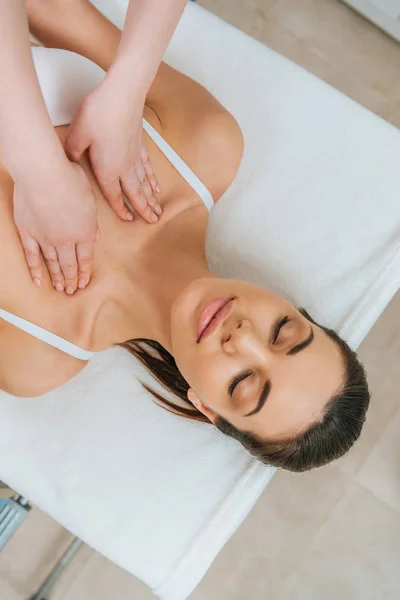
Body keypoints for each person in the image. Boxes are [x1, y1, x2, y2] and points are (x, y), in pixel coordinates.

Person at [0, 0, 370, 472]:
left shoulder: (37, 357)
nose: (243, 339)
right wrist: (124, 93)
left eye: (242, 384)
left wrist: (43, 173)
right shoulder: (204, 149)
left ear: (205, 407)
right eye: (283, 332)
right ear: (293, 307)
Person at [0, 0, 186, 294]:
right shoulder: (210, 147)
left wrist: (127, 90)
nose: (243, 340)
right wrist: (40, 175)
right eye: (280, 330)